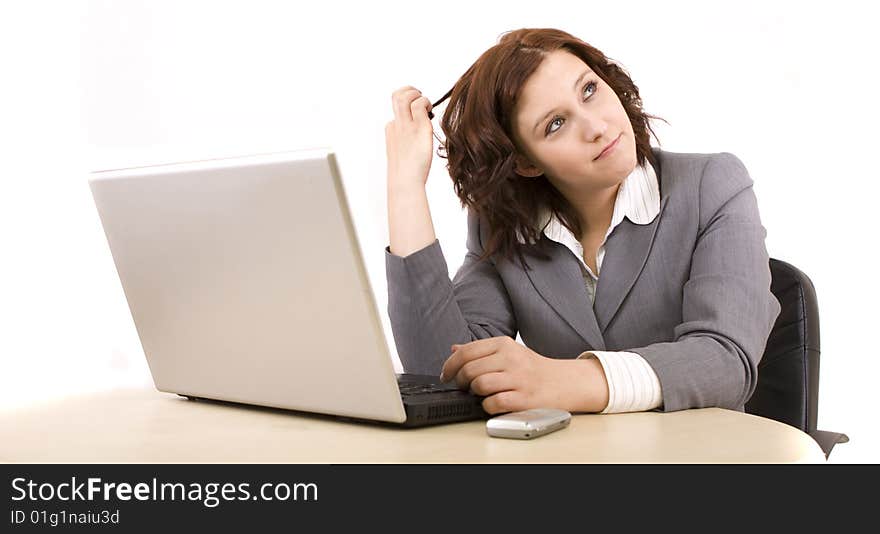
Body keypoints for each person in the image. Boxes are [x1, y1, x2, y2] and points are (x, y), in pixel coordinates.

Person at [383, 28, 781, 416]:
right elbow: (442, 376)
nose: (597, 127)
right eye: (555, 124)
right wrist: (406, 187)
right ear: (525, 163)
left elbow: (726, 361)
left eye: (589, 90)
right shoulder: (504, 229)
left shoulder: (711, 185)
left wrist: (564, 380)